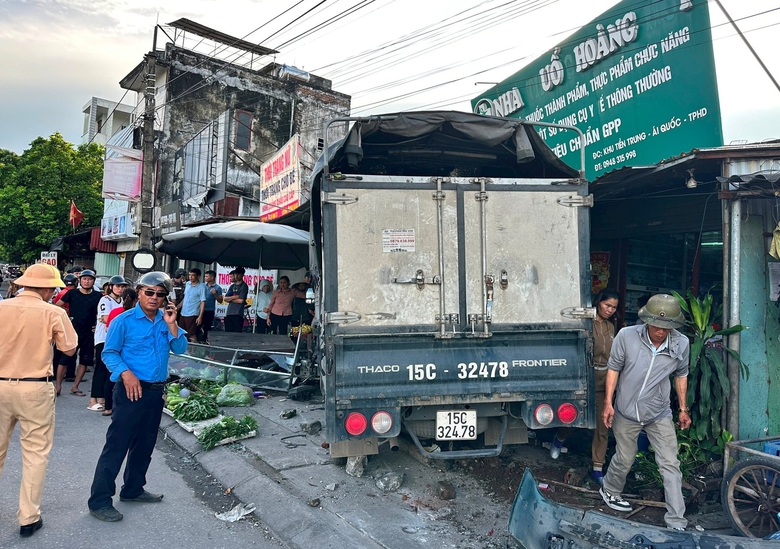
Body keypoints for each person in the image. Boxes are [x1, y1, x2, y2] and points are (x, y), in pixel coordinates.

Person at [88, 271, 187, 522]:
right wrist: (126, 374)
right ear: (139, 292)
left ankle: (133, 489)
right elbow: (109, 353)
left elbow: (181, 348)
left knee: (144, 445)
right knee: (117, 445)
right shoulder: (124, 320)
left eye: (160, 294)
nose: (154, 298)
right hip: (130, 390)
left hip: (155, 392)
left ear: (166, 298)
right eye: (149, 292)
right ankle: (99, 500)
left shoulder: (166, 320)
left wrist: (173, 323)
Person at [599, 293, 691, 531]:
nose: (660, 331)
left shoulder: (681, 344)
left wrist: (682, 408)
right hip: (626, 411)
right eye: (656, 326)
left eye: (666, 327)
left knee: (670, 464)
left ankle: (676, 521)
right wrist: (608, 403)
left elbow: (681, 375)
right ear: (647, 319)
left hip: (659, 413)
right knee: (625, 456)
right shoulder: (626, 336)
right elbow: (613, 369)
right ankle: (610, 490)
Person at [0, 264, 78, 538]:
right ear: (46, 288)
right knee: (34, 455)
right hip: (35, 388)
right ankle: (28, 519)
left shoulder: (1, 308)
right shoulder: (53, 312)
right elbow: (69, 348)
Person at [549, 290, 619, 486]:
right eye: (607, 305)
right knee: (574, 419)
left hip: (604, 381)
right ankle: (559, 438)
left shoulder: (611, 327)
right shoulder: (586, 324)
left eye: (614, 307)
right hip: (584, 378)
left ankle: (598, 468)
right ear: (599, 302)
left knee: (603, 425)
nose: (610, 310)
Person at [55, 269, 103, 397]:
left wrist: (98, 325)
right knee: (64, 359)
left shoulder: (98, 296)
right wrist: (65, 320)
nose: (87, 281)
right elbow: (56, 307)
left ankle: (75, 387)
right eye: (84, 279)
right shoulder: (72, 293)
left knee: (84, 361)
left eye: (89, 279)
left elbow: (103, 313)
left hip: (89, 333)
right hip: (73, 331)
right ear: (79, 281)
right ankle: (57, 387)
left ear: (93, 281)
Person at [89, 276, 128, 412]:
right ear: (111, 287)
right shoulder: (105, 300)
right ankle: (93, 399)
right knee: (100, 368)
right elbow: (106, 319)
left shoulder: (122, 300)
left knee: (108, 370)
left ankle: (104, 398)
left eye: (122, 286)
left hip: (114, 338)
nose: (120, 289)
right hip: (103, 338)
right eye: (118, 286)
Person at [102, 288, 139, 417]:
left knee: (109, 379)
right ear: (136, 300)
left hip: (114, 351)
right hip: (126, 355)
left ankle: (108, 407)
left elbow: (107, 329)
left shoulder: (115, 312)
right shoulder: (133, 315)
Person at [177, 268, 206, 342]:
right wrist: (177, 308)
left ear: (198, 276)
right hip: (183, 313)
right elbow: (185, 298)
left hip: (193, 314)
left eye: (193, 275)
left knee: (192, 334)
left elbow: (203, 301)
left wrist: (200, 316)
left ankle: (194, 351)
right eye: (189, 275)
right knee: (181, 333)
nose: (190, 277)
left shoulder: (201, 287)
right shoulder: (187, 284)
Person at [199, 270, 223, 343]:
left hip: (209, 310)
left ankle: (205, 342)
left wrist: (215, 294)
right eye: (205, 276)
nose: (205, 278)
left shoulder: (218, 288)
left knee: (207, 328)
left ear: (212, 277)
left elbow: (220, 300)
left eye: (207, 276)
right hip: (200, 309)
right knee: (197, 326)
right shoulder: (202, 285)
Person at [223, 268, 248, 332]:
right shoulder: (232, 286)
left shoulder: (244, 286)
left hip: (238, 313)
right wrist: (235, 297)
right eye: (235, 274)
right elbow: (225, 298)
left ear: (242, 275)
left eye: (238, 274)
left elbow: (241, 301)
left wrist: (230, 299)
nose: (236, 276)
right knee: (228, 332)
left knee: (237, 334)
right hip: (229, 312)